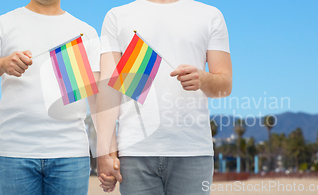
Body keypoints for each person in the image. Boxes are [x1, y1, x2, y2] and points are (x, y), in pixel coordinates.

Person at [0, 0, 100, 194]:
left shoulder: (86, 32)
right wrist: (0, 64)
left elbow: (96, 100)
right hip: (16, 155)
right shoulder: (1, 24)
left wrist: (106, 152)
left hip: (71, 155)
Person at [96, 0, 232, 194]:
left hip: (192, 152)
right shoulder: (117, 16)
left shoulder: (210, 15)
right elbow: (108, 89)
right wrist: (105, 151)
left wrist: (203, 79)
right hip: (135, 152)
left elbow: (225, 86)